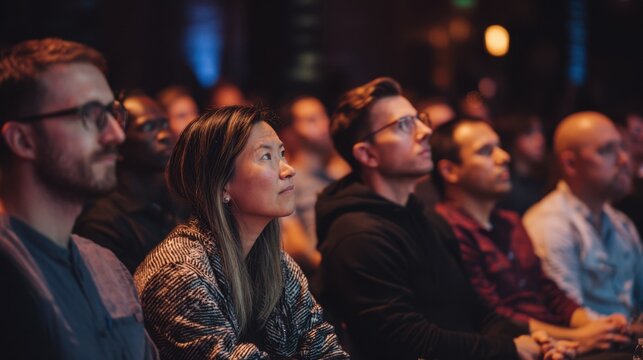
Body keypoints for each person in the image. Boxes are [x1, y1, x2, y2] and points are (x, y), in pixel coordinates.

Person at [315, 77, 575, 360]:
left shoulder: (423, 217)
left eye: (419, 119)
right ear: (368, 154)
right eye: (404, 125)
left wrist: (531, 340)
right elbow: (407, 339)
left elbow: (476, 309)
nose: (425, 131)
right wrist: (510, 349)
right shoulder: (356, 236)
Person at [133, 106, 348, 359]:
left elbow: (324, 347)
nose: (288, 169)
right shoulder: (180, 272)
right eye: (266, 157)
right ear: (222, 184)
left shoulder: (279, 264)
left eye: (282, 153)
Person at [0, 38, 157, 359]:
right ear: (22, 140)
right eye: (90, 114)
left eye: (114, 114)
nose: (116, 134)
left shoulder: (107, 265)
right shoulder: (11, 270)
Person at [430, 118, 630, 357]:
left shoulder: (510, 221)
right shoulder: (446, 229)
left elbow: (550, 292)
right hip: (517, 347)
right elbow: (492, 315)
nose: (503, 157)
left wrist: (595, 326)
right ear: (449, 171)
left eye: (499, 147)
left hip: (555, 340)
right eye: (486, 151)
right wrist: (578, 337)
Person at [524, 111, 643, 318]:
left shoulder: (621, 223)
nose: (623, 160)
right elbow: (571, 319)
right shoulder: (551, 224)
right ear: (570, 164)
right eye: (606, 150)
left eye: (622, 147)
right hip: (597, 348)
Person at [74, 93, 177, 273]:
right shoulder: (102, 223)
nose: (165, 135)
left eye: (165, 124)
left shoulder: (177, 199)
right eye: (148, 126)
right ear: (118, 140)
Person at [279, 95, 349, 274]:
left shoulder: (338, 175)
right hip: (321, 277)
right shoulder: (287, 179)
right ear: (290, 133)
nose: (325, 124)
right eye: (311, 120)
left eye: (324, 115)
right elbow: (297, 246)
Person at [495, 113, 549, 215]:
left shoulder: (544, 179)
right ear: (513, 138)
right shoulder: (505, 185)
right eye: (529, 133)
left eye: (541, 131)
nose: (539, 139)